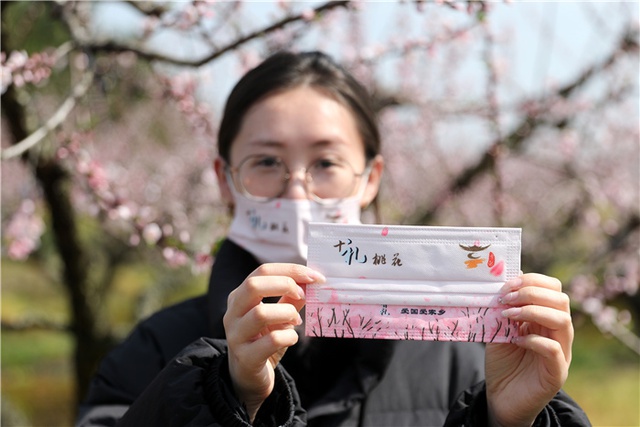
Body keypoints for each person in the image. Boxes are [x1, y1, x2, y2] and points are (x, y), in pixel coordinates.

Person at [76, 51, 591, 427]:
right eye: (267, 163)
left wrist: (510, 420)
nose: (297, 189)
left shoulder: (461, 355)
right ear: (224, 179)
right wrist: (223, 394)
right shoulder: (157, 350)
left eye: (325, 163)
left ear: (370, 178)